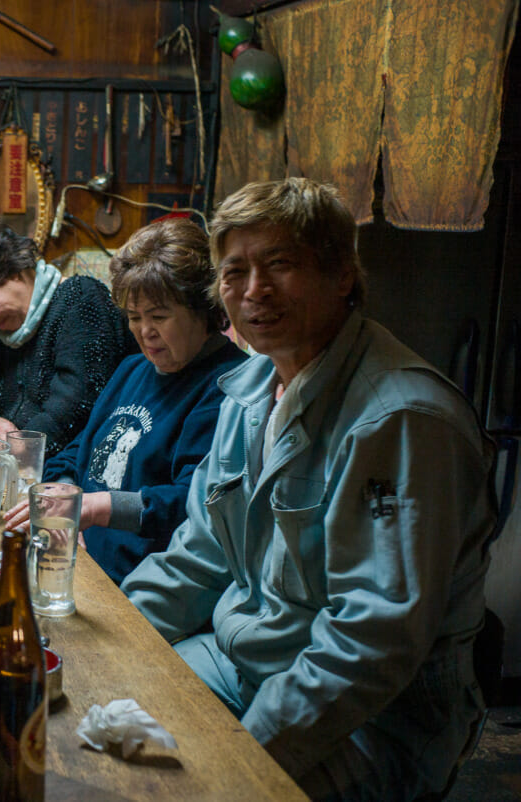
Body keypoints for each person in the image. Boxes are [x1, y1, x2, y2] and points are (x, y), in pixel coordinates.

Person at [121, 178, 497, 800]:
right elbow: (198, 557)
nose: (253, 292)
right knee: (86, 718)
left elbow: (369, 644)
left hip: (365, 723)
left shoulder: (401, 420)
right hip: (239, 662)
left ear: (342, 276)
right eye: (234, 271)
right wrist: (104, 650)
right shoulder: (247, 393)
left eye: (281, 265)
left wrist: (243, 757)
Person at [2, 217, 246, 584]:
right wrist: (66, 492)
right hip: (82, 557)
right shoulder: (133, 368)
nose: (145, 331)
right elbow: (79, 450)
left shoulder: (227, 385)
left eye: (159, 316)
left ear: (206, 309)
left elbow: (193, 505)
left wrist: (97, 507)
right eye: (134, 317)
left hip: (143, 582)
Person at [0, 222, 134, 459]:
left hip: (70, 467)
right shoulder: (5, 329)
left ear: (13, 273)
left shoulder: (80, 299)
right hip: (16, 463)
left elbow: (76, 409)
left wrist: (11, 446)